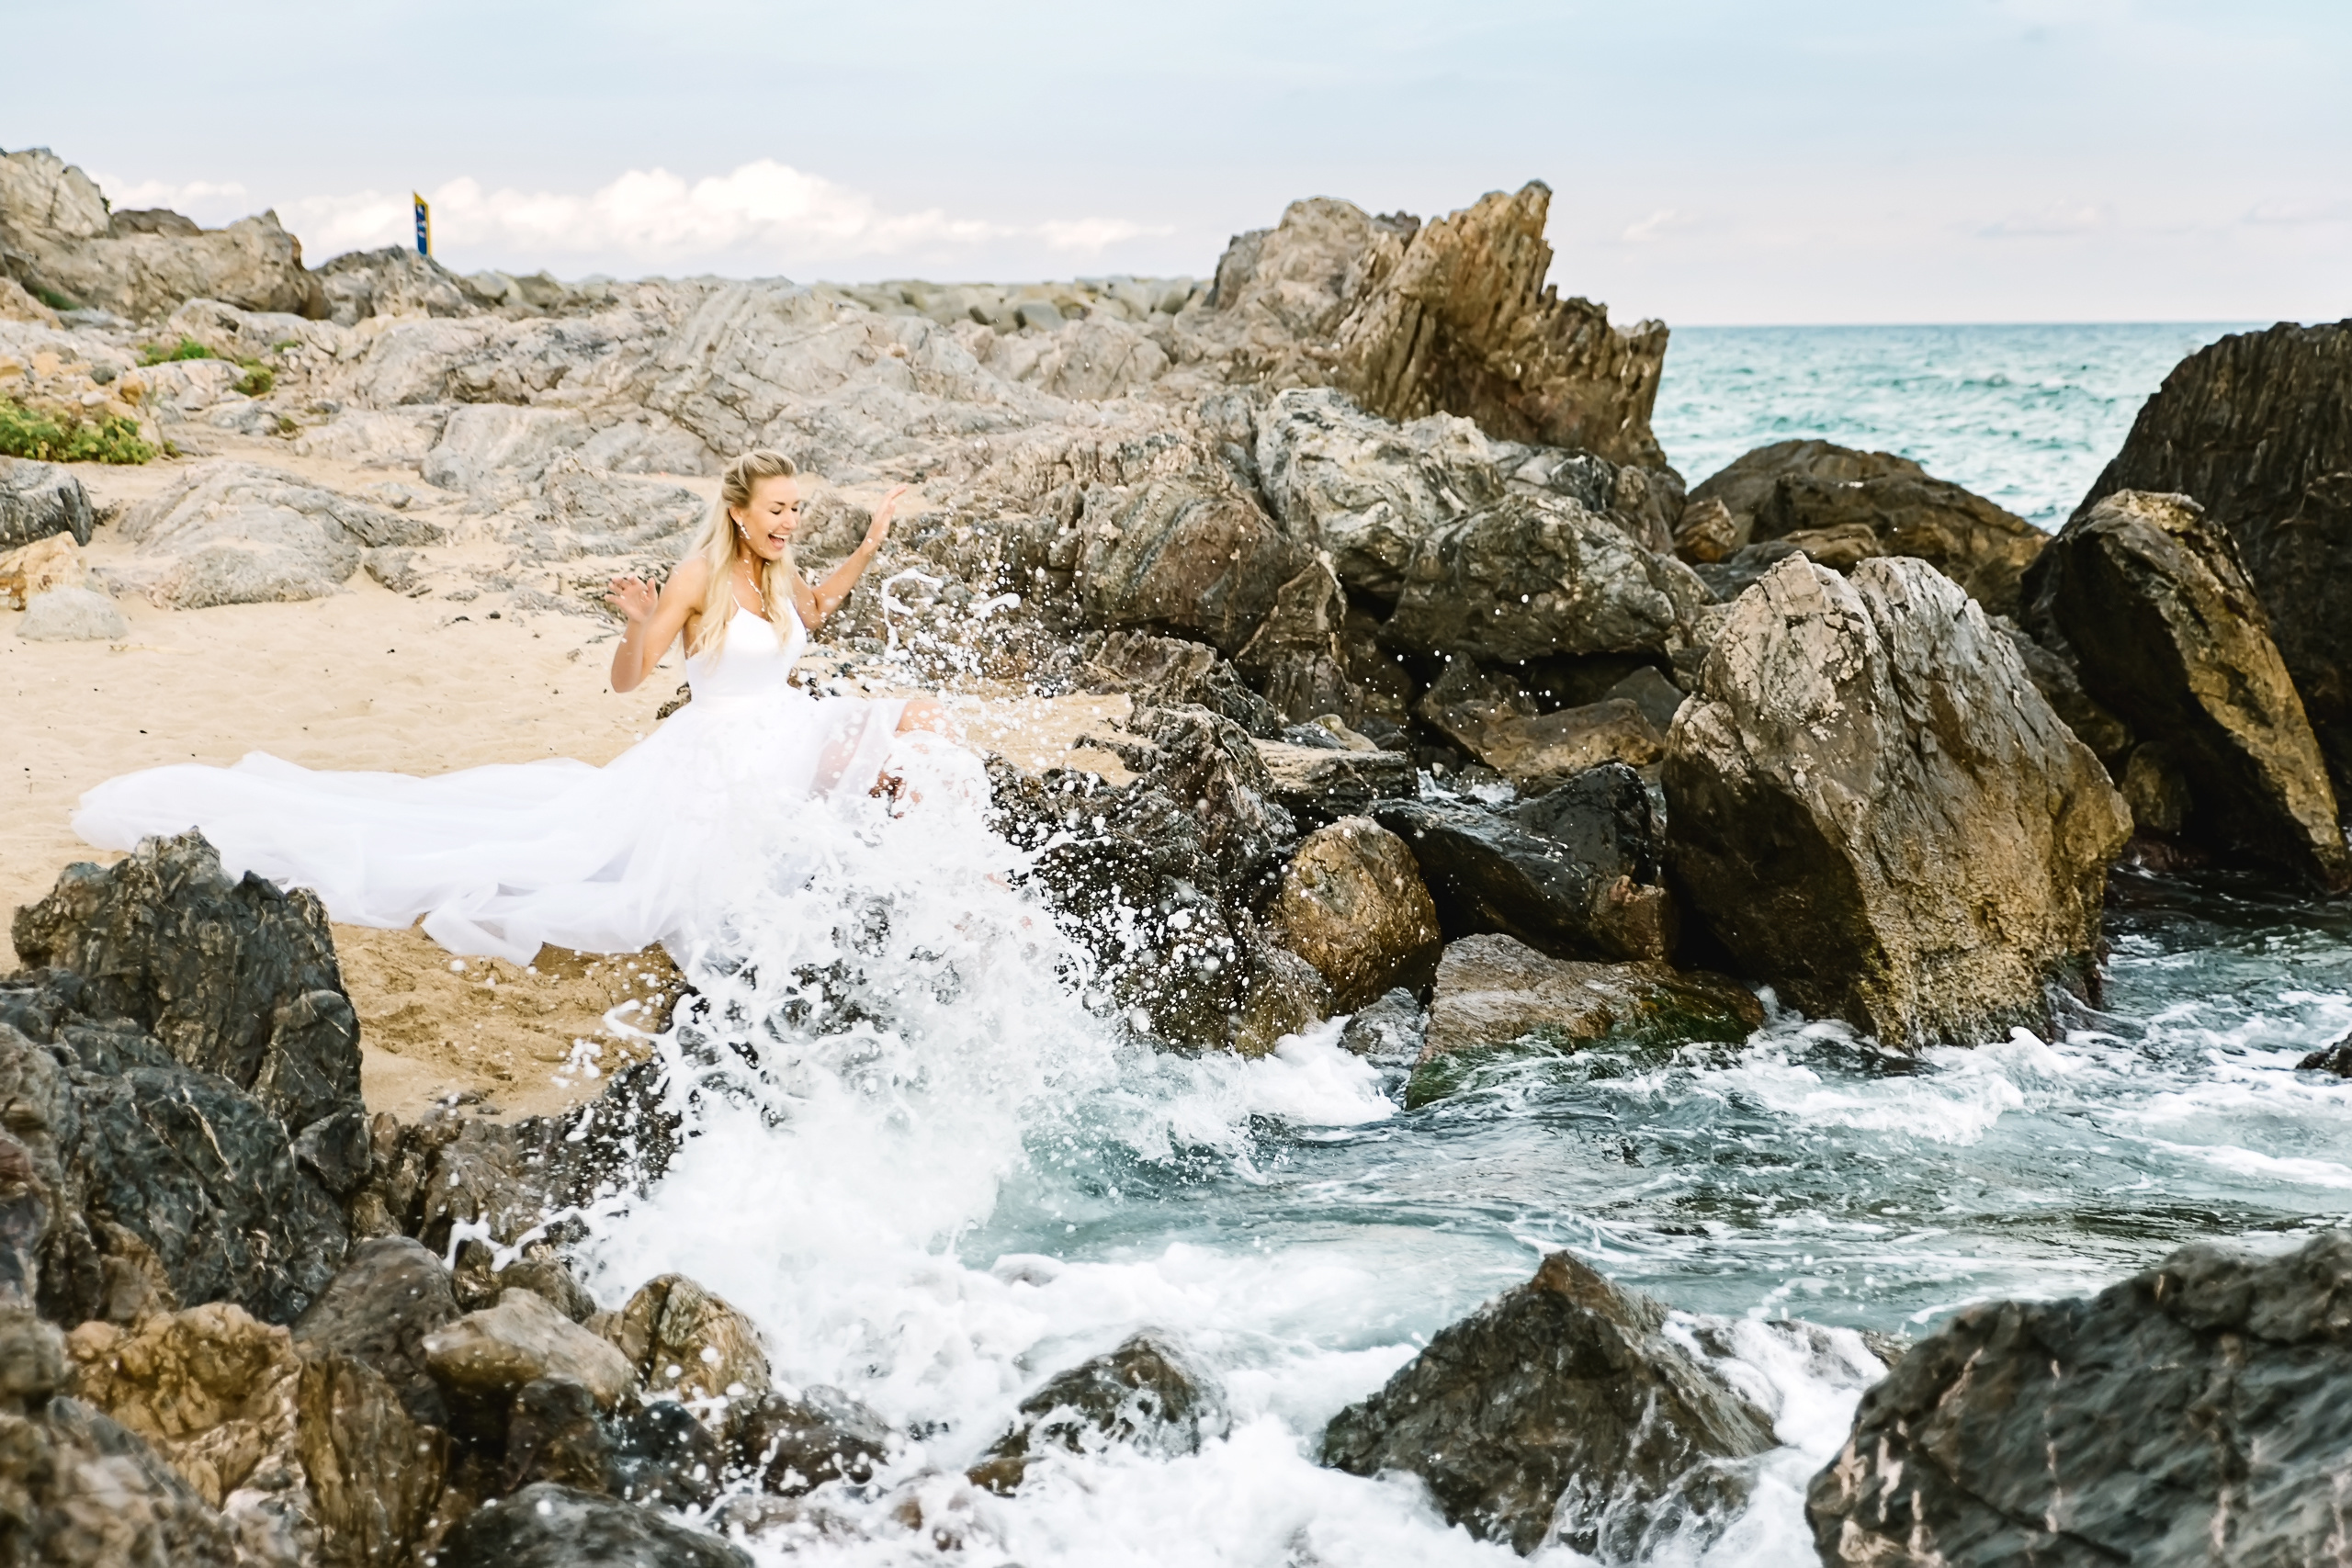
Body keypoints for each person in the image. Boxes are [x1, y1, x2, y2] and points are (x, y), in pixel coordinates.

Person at [74, 449, 987, 965]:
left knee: (922, 731)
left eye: (800, 511)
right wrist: (642, 626)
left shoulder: (781, 574)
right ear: (741, 512)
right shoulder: (697, 574)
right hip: (719, 755)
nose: (792, 522)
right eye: (780, 510)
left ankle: (940, 888)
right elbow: (630, 682)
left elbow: (816, 612)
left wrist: (867, 543)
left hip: (785, 728)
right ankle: (915, 905)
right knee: (592, 873)